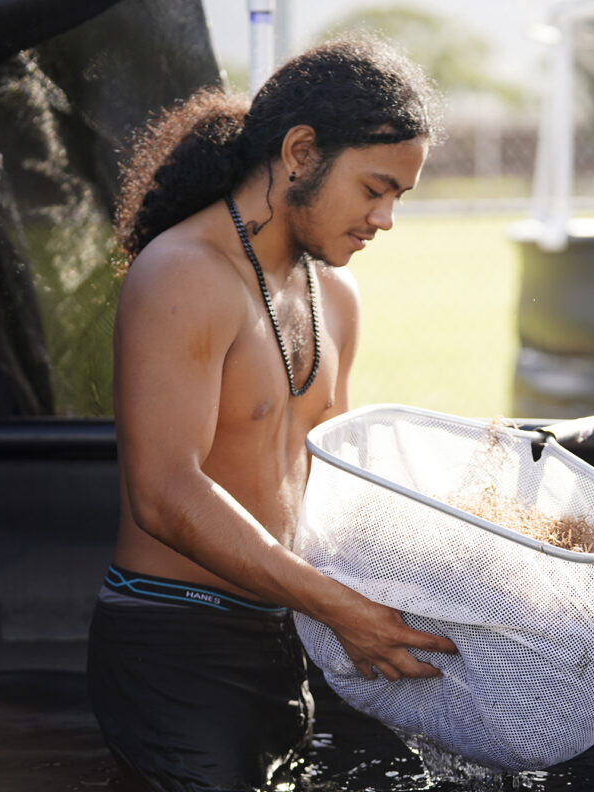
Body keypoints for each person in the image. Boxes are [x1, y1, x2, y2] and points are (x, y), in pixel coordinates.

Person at [86, 38, 459, 792]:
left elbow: (334, 488)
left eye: (399, 198)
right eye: (374, 188)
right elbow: (164, 494)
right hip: (173, 640)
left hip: (286, 634)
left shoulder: (339, 300)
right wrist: (337, 607)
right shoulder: (184, 275)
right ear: (300, 152)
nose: (385, 218)